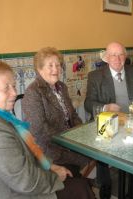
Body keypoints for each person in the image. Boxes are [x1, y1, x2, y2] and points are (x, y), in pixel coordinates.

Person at [0, 60, 94, 199]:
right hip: (11, 193)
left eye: (13, 86)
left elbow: (26, 153)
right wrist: (54, 177)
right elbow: (25, 181)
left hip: (20, 181)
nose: (14, 93)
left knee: (77, 181)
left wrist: (49, 166)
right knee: (80, 188)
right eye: (6, 88)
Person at [84, 42, 133, 199]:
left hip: (132, 122)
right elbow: (88, 104)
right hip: (109, 124)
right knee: (102, 150)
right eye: (113, 54)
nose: (117, 58)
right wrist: (106, 107)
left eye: (121, 54)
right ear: (106, 57)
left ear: (125, 56)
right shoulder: (95, 76)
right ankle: (104, 185)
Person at [22, 47, 92, 176]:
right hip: (49, 148)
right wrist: (68, 138)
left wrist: (82, 132)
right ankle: (77, 184)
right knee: (89, 157)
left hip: (69, 142)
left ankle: (80, 182)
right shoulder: (33, 92)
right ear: (39, 68)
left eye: (58, 65)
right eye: (50, 65)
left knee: (95, 150)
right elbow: (37, 130)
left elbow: (73, 115)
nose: (56, 69)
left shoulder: (62, 87)